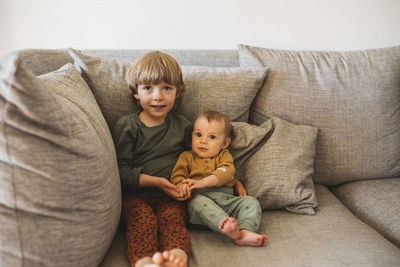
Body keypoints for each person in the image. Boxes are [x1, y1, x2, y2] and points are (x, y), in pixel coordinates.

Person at [113, 52, 247, 267]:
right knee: (142, 222)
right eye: (148, 88)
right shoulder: (128, 126)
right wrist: (155, 181)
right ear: (135, 92)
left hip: (174, 197)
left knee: (173, 222)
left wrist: (233, 181)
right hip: (137, 195)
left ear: (178, 92)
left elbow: (198, 161)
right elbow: (121, 170)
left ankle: (177, 258)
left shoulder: (184, 126)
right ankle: (145, 262)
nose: (158, 96)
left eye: (167, 88)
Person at [171, 111, 268, 247]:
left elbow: (227, 173)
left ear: (224, 143)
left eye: (211, 137)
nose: (203, 141)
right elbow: (177, 175)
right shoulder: (187, 157)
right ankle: (225, 224)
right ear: (191, 136)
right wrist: (181, 184)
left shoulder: (224, 156)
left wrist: (202, 182)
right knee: (197, 202)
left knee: (251, 202)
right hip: (201, 209)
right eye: (198, 135)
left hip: (227, 202)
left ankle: (244, 232)